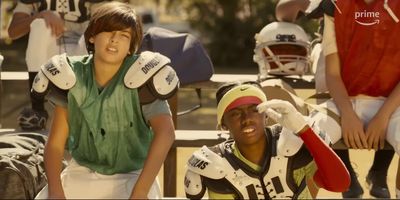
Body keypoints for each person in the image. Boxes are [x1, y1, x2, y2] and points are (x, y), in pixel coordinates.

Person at [33, 1, 179, 198]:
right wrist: (56, 191)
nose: (114, 40)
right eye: (108, 32)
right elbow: (56, 144)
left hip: (133, 174)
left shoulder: (142, 76)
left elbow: (166, 132)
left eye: (124, 35)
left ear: (131, 47)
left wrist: (141, 191)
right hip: (82, 171)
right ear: (92, 36)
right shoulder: (71, 75)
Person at [276, 0, 396, 198]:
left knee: (388, 71)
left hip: (380, 40)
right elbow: (282, 11)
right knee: (327, 72)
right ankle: (345, 170)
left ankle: (379, 171)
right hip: (333, 46)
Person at [184, 81, 350, 199]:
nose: (246, 119)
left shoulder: (294, 145)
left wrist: (304, 130)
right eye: (235, 113)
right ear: (223, 125)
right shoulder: (217, 164)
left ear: (266, 115)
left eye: (255, 110)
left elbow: (340, 184)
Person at [310, 0, 400, 198]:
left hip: (390, 104)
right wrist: (347, 114)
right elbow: (332, 74)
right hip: (345, 101)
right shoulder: (335, 6)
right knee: (308, 139)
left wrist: (383, 116)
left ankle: (379, 173)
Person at [7, 0, 107, 130]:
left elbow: (107, 23)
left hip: (80, 48)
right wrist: (40, 15)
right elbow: (13, 32)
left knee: (97, 29)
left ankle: (94, 103)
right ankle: (37, 109)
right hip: (49, 51)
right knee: (39, 24)